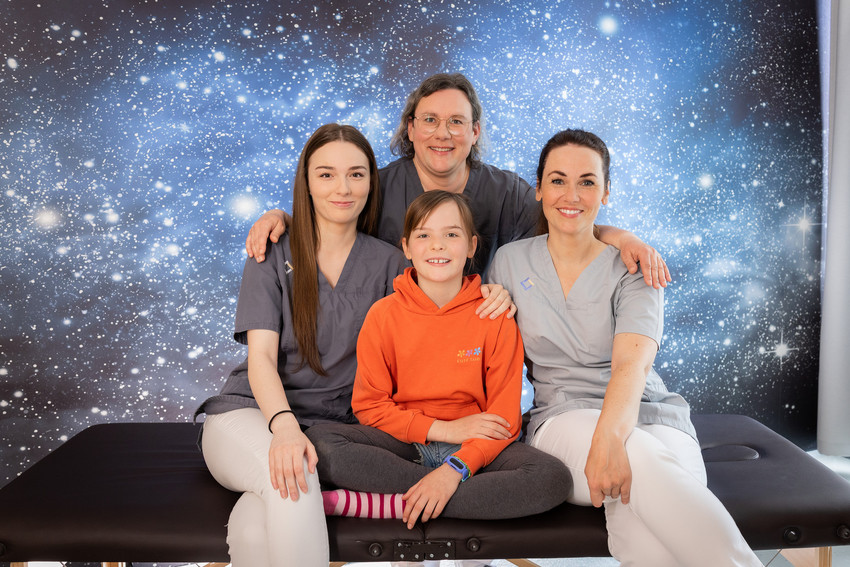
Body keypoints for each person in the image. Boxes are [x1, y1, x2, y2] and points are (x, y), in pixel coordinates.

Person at [487, 129, 762, 567]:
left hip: (654, 414)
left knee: (648, 530)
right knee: (643, 461)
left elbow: (631, 366)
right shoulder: (510, 260)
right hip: (564, 416)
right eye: (557, 180)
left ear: (606, 192)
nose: (571, 195)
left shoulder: (637, 265)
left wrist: (610, 439)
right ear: (537, 188)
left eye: (587, 182)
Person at [194, 124, 409, 567]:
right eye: (326, 174)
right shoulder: (271, 252)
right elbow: (260, 359)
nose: (342, 188)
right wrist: (285, 427)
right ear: (306, 183)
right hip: (252, 414)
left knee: (253, 534)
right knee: (297, 479)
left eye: (356, 174)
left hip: (331, 429)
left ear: (371, 182)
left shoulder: (392, 263)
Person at [245, 73, 671, 288]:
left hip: (472, 337)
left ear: (475, 132)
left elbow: (566, 219)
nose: (442, 134)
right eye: (430, 120)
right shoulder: (378, 186)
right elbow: (332, 217)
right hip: (389, 335)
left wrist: (621, 236)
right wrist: (282, 216)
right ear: (410, 128)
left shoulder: (506, 192)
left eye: (456, 122)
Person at [306, 191, 571, 533]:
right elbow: (369, 407)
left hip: (474, 448)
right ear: (406, 247)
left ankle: (398, 502)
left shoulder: (494, 315)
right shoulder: (383, 315)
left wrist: (454, 470)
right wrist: (444, 430)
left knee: (551, 477)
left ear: (471, 246)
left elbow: (505, 419)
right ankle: (434, 495)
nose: (437, 245)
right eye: (423, 235)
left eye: (451, 234)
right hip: (405, 444)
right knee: (321, 442)